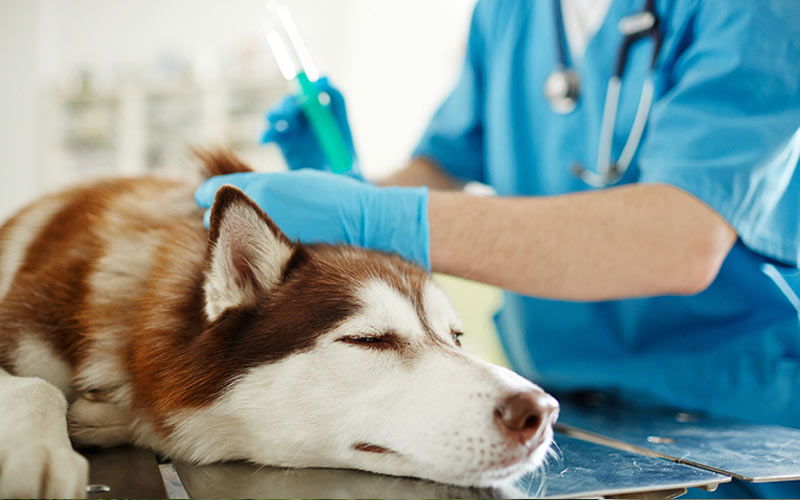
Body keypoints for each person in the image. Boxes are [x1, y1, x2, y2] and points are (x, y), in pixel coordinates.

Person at [195, 1, 800, 496]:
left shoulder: (749, 11)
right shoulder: (513, 13)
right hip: (558, 402)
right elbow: (441, 167)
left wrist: (369, 212)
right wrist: (347, 183)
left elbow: (680, 240)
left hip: (736, 415)